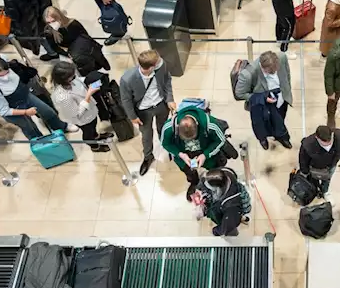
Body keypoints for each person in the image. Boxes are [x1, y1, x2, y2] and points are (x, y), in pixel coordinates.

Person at [0, 55, 72, 142]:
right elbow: (4, 110)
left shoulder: (8, 65)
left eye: (7, 73)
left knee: (48, 111)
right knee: (30, 128)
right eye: (1, 76)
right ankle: (41, 144)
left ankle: (61, 126)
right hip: (12, 109)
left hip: (25, 96)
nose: (5, 77)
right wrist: (26, 112)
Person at [119, 49, 176, 177]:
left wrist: (170, 99)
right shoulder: (127, 79)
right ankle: (148, 156)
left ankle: (169, 147)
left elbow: (167, 80)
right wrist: (132, 117)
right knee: (146, 135)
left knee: (164, 128)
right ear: (151, 67)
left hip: (161, 105)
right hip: (143, 110)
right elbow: (126, 99)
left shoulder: (162, 66)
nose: (161, 62)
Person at [161, 100, 232, 198]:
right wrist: (180, 154)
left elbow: (220, 140)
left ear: (197, 125)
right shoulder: (169, 127)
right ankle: (194, 182)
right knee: (188, 171)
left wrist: (205, 155)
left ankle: (215, 184)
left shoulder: (210, 124)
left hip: (205, 151)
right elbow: (165, 143)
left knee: (214, 170)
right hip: (183, 155)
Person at [234, 50, 293, 150]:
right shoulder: (248, 74)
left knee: (279, 120)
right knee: (260, 124)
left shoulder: (282, 57)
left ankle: (281, 137)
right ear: (263, 67)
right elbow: (239, 93)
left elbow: (287, 73)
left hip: (279, 96)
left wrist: (287, 90)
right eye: (271, 73)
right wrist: (263, 98)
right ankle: (263, 139)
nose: (274, 74)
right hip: (260, 101)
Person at [48, 61, 109, 152]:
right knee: (88, 132)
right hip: (83, 119)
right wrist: (88, 95)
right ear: (64, 79)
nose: (74, 77)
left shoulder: (71, 79)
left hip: (90, 111)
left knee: (93, 125)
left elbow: (79, 81)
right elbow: (76, 114)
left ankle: (97, 136)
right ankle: (94, 146)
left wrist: (94, 81)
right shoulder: (62, 97)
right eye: (72, 77)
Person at [43, 6, 110, 76]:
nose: (52, 24)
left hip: (83, 47)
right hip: (71, 54)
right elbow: (54, 47)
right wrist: (67, 55)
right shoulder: (49, 32)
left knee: (96, 60)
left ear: (59, 17)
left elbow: (85, 35)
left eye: (53, 21)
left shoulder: (73, 24)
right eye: (48, 22)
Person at [298, 125, 340, 197]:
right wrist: (304, 172)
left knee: (327, 180)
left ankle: (324, 191)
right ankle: (314, 190)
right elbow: (303, 160)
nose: (328, 144)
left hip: (331, 165)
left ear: (332, 134)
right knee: (313, 179)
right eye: (324, 142)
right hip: (315, 168)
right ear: (317, 137)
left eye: (330, 140)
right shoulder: (307, 145)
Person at [195, 168, 250, 236]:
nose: (204, 183)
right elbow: (203, 182)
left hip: (227, 216)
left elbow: (225, 228)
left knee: (230, 230)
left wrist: (215, 231)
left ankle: (238, 218)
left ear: (217, 188)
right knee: (232, 219)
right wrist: (199, 193)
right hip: (223, 210)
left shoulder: (231, 205)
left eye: (208, 185)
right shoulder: (223, 174)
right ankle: (239, 217)